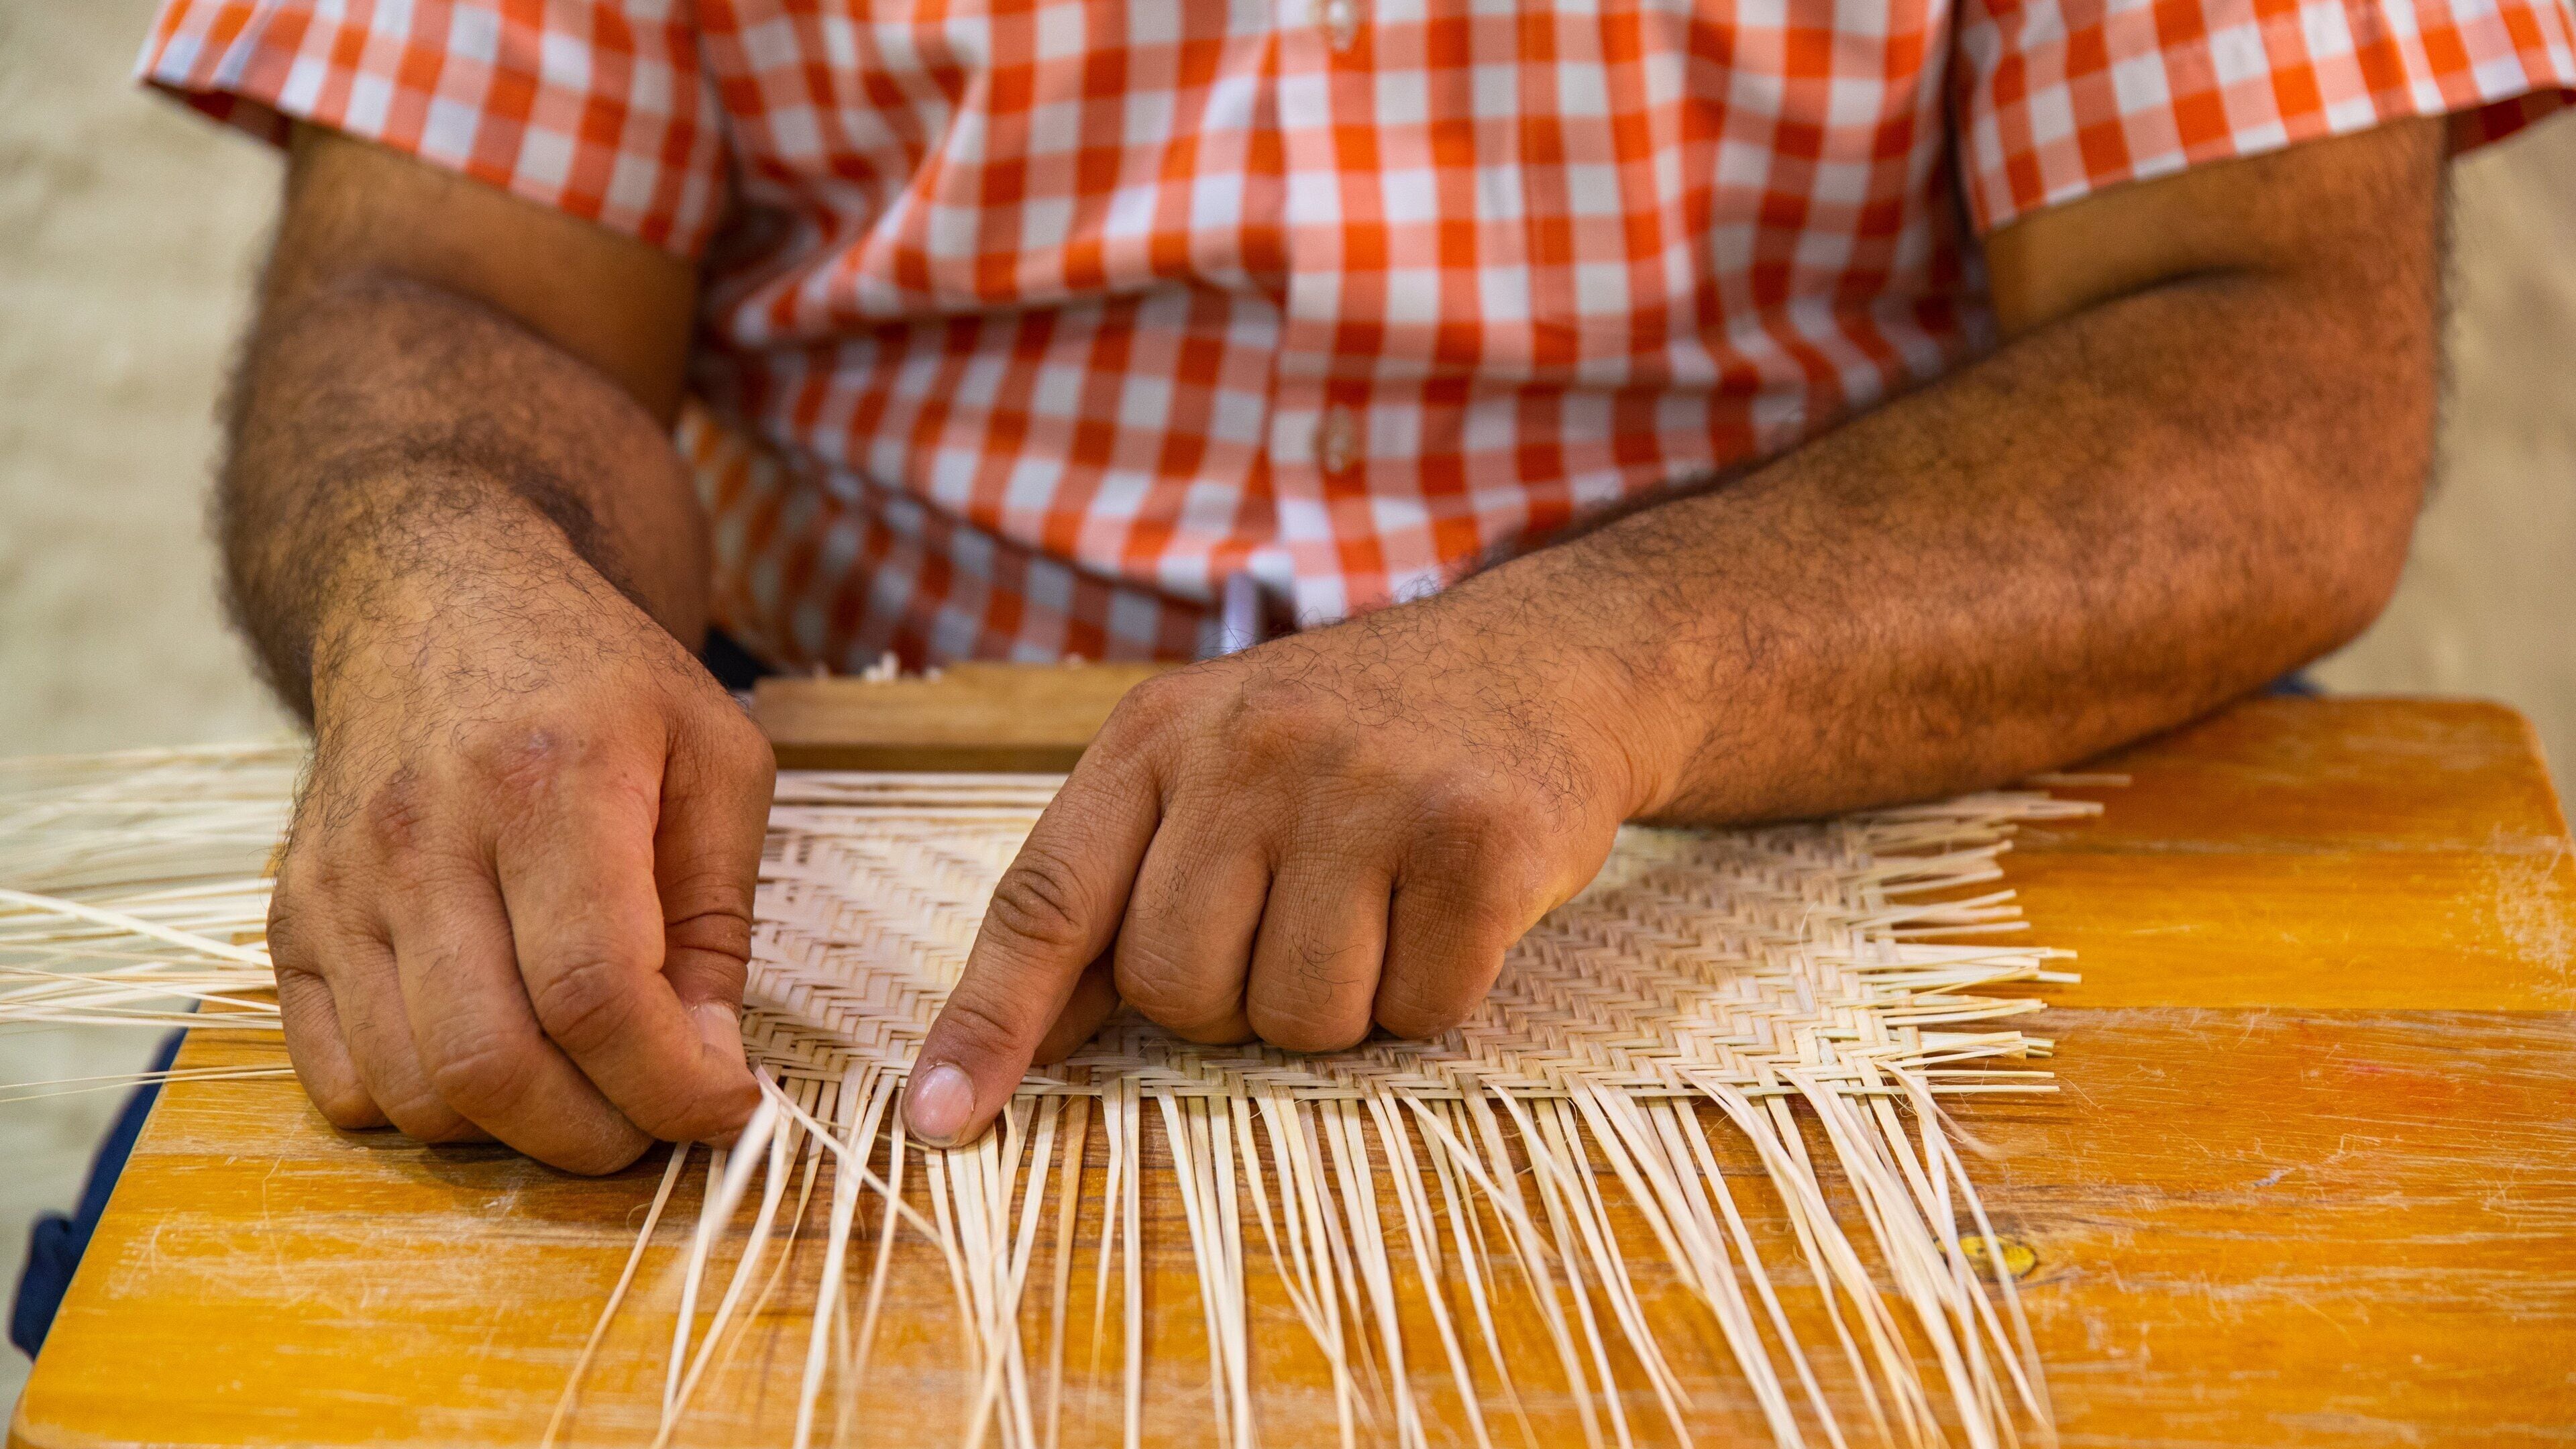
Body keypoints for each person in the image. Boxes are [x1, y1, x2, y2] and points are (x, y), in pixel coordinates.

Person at [141, 0, 2571, 1172]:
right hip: (837, 840)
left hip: (1813, 834)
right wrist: (450, 588)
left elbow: (2270, 359)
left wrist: (1623, 658)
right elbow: (457, 297)